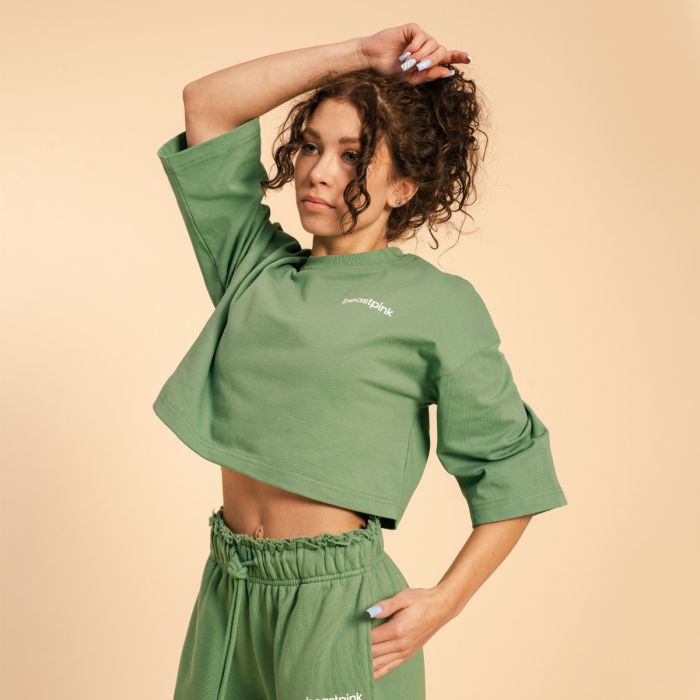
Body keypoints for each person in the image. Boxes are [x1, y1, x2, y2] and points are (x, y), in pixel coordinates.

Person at [153, 23, 568, 700]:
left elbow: (512, 471)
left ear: (403, 187)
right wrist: (358, 56)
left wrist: (445, 602)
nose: (318, 171)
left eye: (352, 156)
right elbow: (207, 104)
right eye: (311, 145)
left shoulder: (438, 305)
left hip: (338, 607)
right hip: (228, 590)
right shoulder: (253, 268)